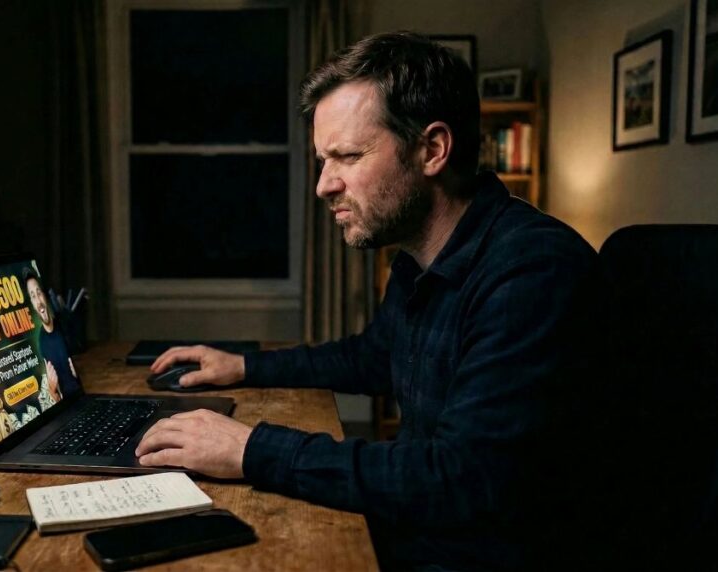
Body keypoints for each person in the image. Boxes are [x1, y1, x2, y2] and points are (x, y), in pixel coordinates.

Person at [136, 31, 610, 571]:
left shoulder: (531, 273)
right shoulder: (418, 256)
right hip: (417, 528)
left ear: (432, 149)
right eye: (323, 160)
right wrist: (243, 365)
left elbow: (458, 479)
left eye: (347, 156)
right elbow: (375, 357)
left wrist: (251, 449)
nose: (323, 185)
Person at [24, 270, 81, 402]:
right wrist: (52, 390)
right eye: (33, 296)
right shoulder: (42, 342)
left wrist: (77, 373)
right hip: (69, 406)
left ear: (44, 295)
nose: (38, 299)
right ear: (32, 304)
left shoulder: (64, 323)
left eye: (39, 292)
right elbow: (57, 397)